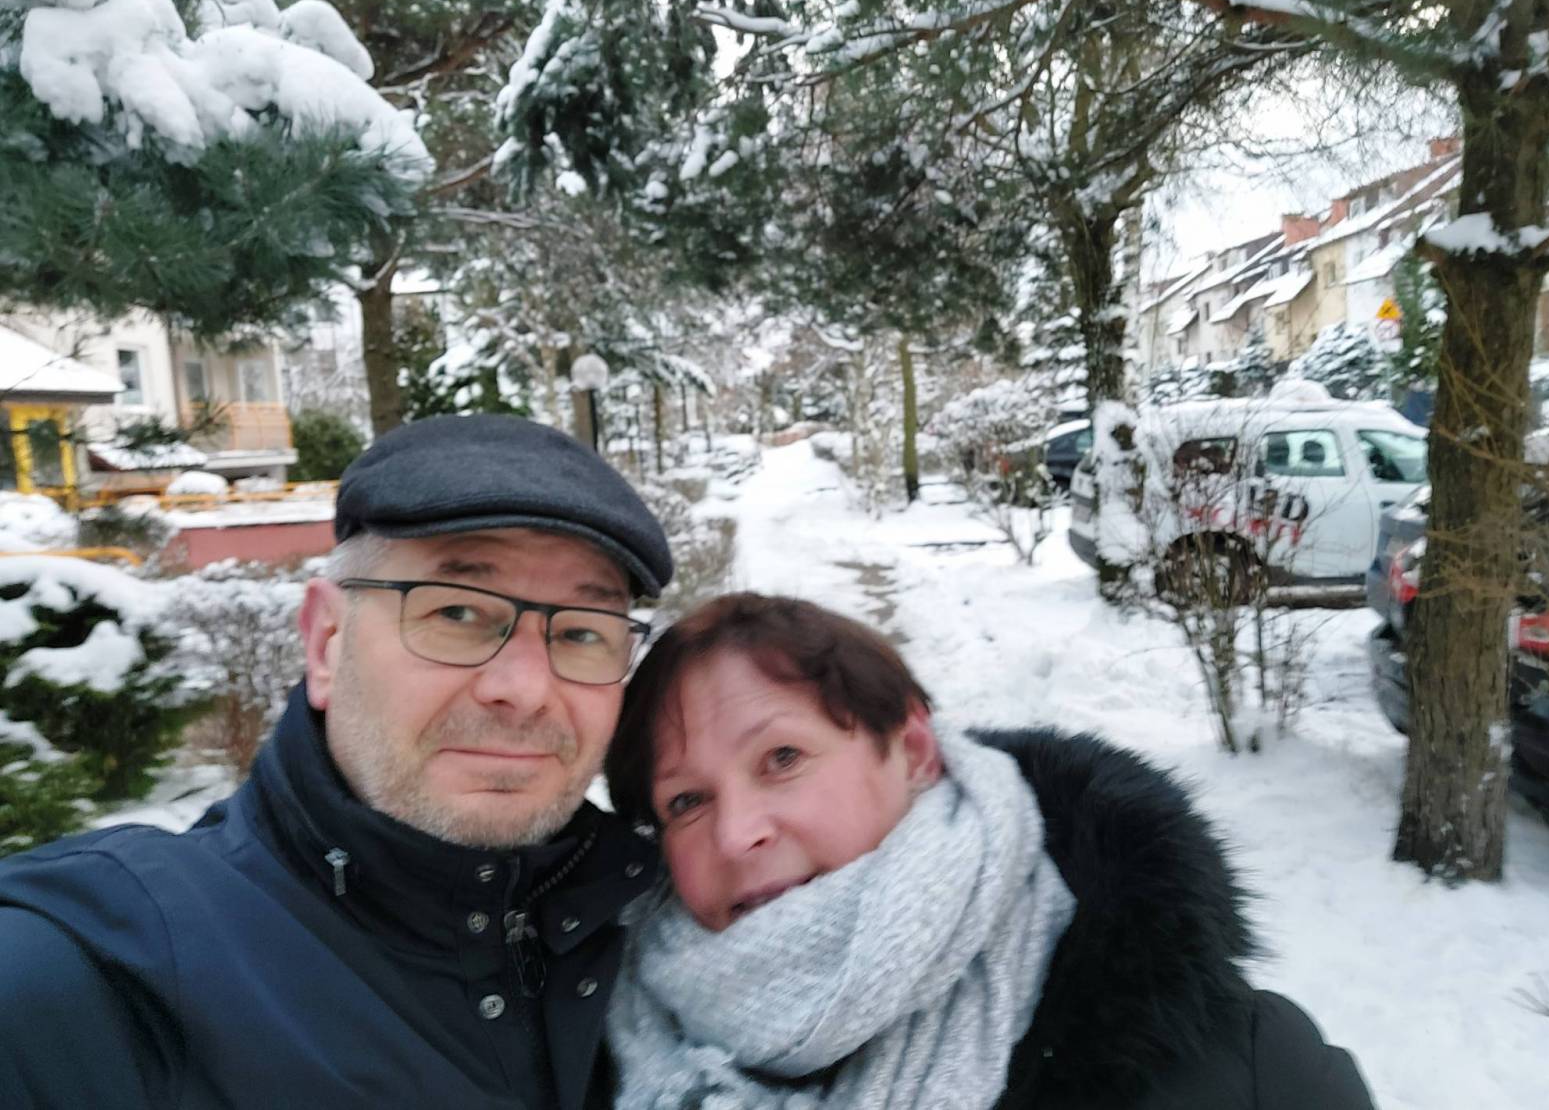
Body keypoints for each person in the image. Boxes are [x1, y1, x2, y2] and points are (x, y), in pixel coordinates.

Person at [0, 414, 674, 1109]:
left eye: (582, 632)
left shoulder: (663, 931)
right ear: (326, 642)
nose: (526, 690)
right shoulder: (98, 977)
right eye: (456, 613)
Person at [601, 592, 1377, 1110]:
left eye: (782, 759)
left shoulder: (1250, 1076)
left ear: (913, 752)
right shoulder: (596, 1054)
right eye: (686, 801)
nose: (736, 834)